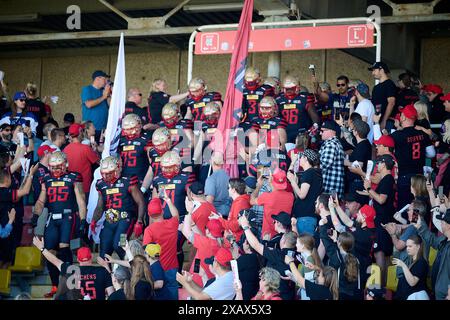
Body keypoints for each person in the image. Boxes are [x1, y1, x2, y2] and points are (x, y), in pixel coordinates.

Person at [31, 151, 86, 298]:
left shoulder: (74, 176)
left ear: (65, 165)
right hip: (52, 218)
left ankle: (70, 285)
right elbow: (41, 200)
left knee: (64, 246)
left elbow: (80, 199)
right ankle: (56, 285)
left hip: (68, 215)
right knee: (48, 250)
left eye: (58, 167)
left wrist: (82, 220)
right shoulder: (46, 177)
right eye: (53, 167)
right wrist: (36, 215)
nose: (55, 170)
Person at [90, 156, 145, 259]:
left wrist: (139, 221)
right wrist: (94, 220)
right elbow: (100, 206)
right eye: (104, 173)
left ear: (117, 169)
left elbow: (140, 202)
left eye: (109, 173)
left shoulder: (128, 181)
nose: (106, 176)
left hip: (125, 220)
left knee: (119, 245)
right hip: (109, 220)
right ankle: (107, 274)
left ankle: (132, 268)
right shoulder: (101, 184)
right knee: (104, 252)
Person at [33, 238, 114, 300]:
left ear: (78, 260)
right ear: (91, 257)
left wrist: (42, 249)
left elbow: (55, 260)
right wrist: (107, 267)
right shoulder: (102, 271)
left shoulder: (70, 270)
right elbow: (112, 295)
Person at [239, 213, 297, 300]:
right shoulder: (298, 255)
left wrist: (245, 226)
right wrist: (294, 226)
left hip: (277, 296)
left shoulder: (278, 255)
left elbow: (256, 245)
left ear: (283, 240)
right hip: (290, 295)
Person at [390, 104, 435, 210]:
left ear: (404, 117)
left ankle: (407, 226)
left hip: (404, 176)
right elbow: (432, 154)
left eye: (401, 114)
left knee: (404, 209)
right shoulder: (422, 134)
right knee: (420, 208)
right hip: (420, 176)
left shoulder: (397, 135)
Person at [360, 154, 396, 286]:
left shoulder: (387, 179)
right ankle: (384, 286)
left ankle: (380, 286)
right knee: (383, 254)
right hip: (384, 219)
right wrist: (367, 191)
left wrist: (369, 188)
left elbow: (381, 199)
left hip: (382, 220)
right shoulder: (387, 179)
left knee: (379, 253)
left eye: (379, 163)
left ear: (384, 164)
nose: (377, 165)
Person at [143, 196, 179, 300]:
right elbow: (176, 214)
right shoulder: (172, 224)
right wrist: (168, 201)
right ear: (162, 211)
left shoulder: (149, 230)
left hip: (156, 269)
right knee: (173, 291)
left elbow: (146, 251)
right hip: (172, 267)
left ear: (149, 215)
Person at [182, 207, 223, 287]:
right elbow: (202, 236)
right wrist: (193, 225)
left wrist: (188, 212)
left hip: (200, 280)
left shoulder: (204, 242)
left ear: (207, 231)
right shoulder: (221, 242)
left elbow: (185, 231)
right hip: (213, 279)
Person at [414, 208, 450, 300]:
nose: (441, 222)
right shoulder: (444, 240)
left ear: (449, 225)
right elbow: (432, 240)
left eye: (443, 221)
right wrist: (420, 227)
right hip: (440, 292)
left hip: (446, 294)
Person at [319, 226, 363, 300]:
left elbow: (327, 244)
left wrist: (322, 226)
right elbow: (343, 249)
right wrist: (336, 240)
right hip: (353, 294)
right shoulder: (356, 259)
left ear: (339, 244)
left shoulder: (337, 258)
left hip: (338, 294)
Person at [250, 168, 294, 240]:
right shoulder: (291, 196)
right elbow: (277, 195)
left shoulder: (267, 196)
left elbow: (251, 201)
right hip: (284, 236)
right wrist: (271, 183)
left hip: (268, 235)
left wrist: (259, 186)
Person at [287, 149, 322, 235]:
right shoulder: (314, 173)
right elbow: (299, 195)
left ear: (306, 158)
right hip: (307, 216)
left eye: (301, 157)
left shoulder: (309, 173)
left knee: (304, 245)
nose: (299, 159)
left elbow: (302, 195)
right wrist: (294, 183)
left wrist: (293, 181)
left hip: (305, 217)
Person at [276, 75, 320, 143]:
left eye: (291, 88)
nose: (289, 91)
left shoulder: (304, 98)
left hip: (301, 133)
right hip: (284, 133)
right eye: (287, 89)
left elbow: (314, 115)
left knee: (300, 152)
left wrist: (315, 126)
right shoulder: (278, 99)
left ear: (297, 88)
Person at [118, 113, 153, 191]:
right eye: (127, 129)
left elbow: (152, 164)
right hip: (124, 180)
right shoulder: (121, 140)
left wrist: (144, 187)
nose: (131, 132)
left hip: (141, 178)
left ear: (140, 125)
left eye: (133, 128)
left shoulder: (146, 138)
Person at [63, 123, 100, 198]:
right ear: (80, 133)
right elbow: (99, 162)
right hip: (84, 188)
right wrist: (96, 150)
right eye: (82, 131)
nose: (83, 133)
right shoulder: (86, 148)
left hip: (70, 187)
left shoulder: (65, 149)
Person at [212, 178, 251, 243]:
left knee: (214, 240)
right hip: (236, 237)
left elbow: (235, 226)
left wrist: (219, 219)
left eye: (228, 187)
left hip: (237, 240)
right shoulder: (239, 201)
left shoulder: (240, 203)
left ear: (233, 190)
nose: (227, 189)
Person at [392, 235, 429, 300]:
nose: (407, 248)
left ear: (418, 246)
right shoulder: (414, 262)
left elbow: (412, 282)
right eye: (407, 246)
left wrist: (403, 265)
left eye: (410, 246)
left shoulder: (421, 262)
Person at [345, 119, 372, 194]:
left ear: (356, 132)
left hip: (357, 182)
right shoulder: (363, 143)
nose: (352, 131)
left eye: (353, 129)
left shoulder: (362, 146)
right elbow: (349, 139)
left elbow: (360, 165)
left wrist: (347, 163)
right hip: (357, 181)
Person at [319, 120, 345, 198]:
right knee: (333, 208)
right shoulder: (334, 143)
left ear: (331, 131)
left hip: (330, 189)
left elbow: (323, 165)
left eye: (322, 131)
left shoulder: (331, 144)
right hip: (333, 188)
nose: (320, 133)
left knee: (330, 208)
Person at [369, 62, 397, 130]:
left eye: (374, 70)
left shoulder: (389, 84)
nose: (372, 73)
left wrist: (384, 121)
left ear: (381, 70)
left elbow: (391, 103)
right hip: (376, 121)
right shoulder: (376, 87)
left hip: (387, 122)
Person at [205, 152, 231, 217]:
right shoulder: (228, 177)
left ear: (211, 161)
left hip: (216, 213)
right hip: (228, 212)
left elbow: (209, 201)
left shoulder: (211, 179)